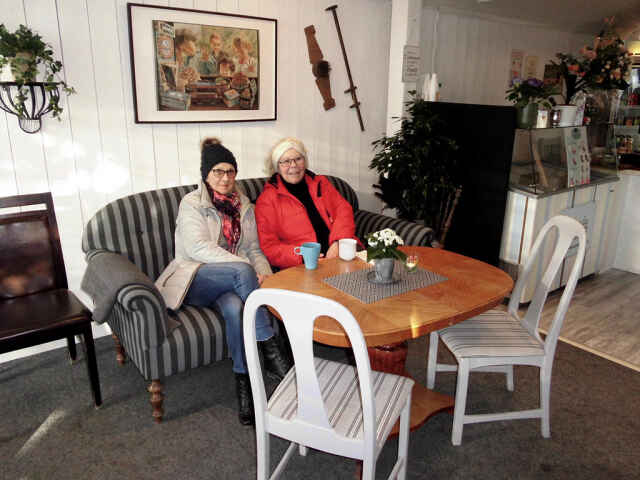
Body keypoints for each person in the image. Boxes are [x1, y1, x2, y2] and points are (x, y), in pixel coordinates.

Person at [156, 138, 291, 426]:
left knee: (235, 309)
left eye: (230, 171)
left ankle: (245, 384)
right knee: (241, 273)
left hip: (230, 284)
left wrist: (264, 274)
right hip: (195, 277)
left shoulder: (244, 205)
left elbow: (253, 248)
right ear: (206, 174)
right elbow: (198, 249)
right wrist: (245, 269)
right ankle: (271, 348)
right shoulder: (191, 204)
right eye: (218, 171)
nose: (225, 178)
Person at [255, 137, 360, 270]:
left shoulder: (320, 183)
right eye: (286, 161)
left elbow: (343, 210)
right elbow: (270, 247)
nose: (293, 165)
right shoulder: (267, 200)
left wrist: (338, 242)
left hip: (341, 253)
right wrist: (304, 255)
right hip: (305, 266)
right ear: (277, 167)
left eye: (298, 159)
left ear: (305, 161)